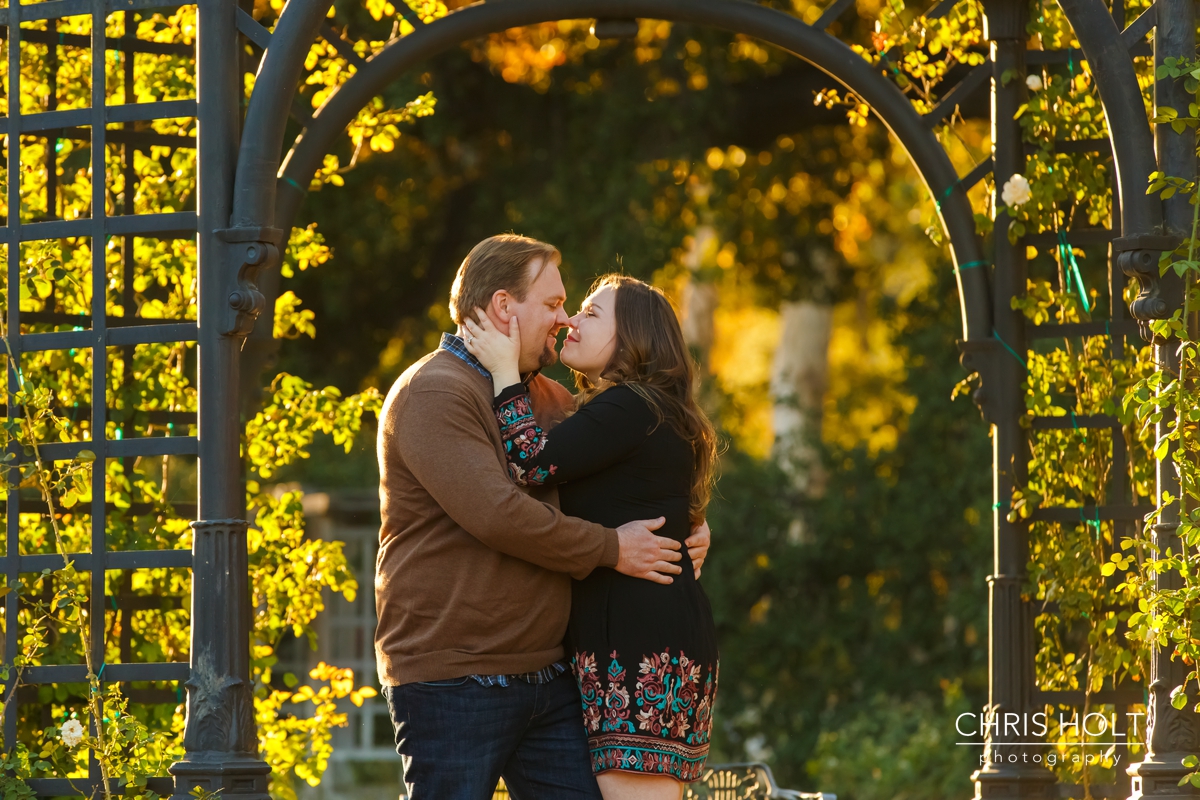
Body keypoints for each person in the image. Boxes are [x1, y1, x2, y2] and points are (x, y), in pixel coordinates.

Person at [375, 235, 712, 800]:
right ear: (505, 307)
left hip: (549, 676)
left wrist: (687, 527)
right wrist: (612, 548)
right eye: (554, 305)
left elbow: (630, 469)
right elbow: (500, 514)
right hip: (457, 677)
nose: (564, 320)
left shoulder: (550, 399)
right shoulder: (436, 392)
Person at [463, 273, 720, 800]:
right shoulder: (641, 410)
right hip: (641, 632)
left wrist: (503, 372)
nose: (573, 322)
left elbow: (530, 463)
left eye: (592, 313)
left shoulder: (631, 405)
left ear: (634, 337)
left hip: (640, 643)